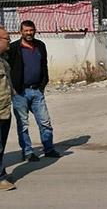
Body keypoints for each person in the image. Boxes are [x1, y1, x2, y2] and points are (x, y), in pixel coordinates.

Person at [7, 20, 60, 162]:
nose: (29, 33)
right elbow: (7, 69)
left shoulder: (40, 46)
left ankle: (49, 149)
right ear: (21, 32)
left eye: (31, 30)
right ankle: (28, 152)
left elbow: (44, 66)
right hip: (20, 93)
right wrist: (12, 88)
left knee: (45, 122)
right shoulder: (13, 48)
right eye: (26, 31)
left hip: (37, 91)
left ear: (35, 30)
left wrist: (43, 85)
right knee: (23, 125)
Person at [0, 26, 16, 191]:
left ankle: (1, 172)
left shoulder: (3, 60)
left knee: (2, 145)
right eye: (7, 39)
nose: (9, 41)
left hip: (4, 110)